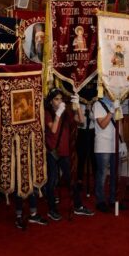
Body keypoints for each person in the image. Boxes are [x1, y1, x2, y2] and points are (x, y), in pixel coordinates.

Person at [45, 88, 94, 220]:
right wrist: (58, 114)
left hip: (64, 152)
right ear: (51, 101)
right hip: (52, 151)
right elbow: (53, 129)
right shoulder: (47, 112)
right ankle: (52, 209)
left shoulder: (66, 112)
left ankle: (78, 206)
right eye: (56, 99)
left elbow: (81, 121)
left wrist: (78, 107)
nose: (59, 101)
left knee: (71, 180)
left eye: (61, 99)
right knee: (52, 181)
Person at [93, 96, 120, 213]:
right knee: (102, 174)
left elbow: (119, 123)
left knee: (115, 174)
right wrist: (112, 110)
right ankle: (100, 201)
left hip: (115, 144)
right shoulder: (98, 104)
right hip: (103, 144)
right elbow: (102, 124)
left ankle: (113, 199)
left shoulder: (116, 102)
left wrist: (122, 142)